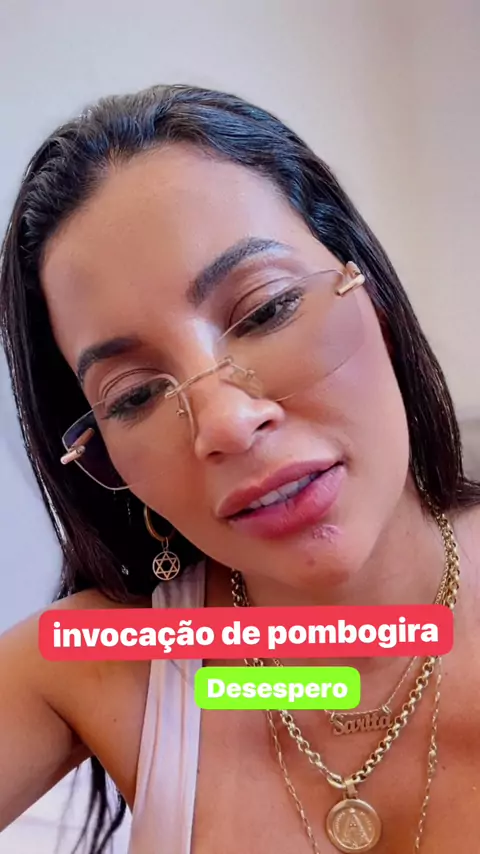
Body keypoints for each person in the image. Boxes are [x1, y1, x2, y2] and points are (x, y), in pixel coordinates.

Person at [0, 83, 479, 854]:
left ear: (375, 300)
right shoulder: (99, 663)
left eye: (266, 310)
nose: (224, 422)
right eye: (134, 396)